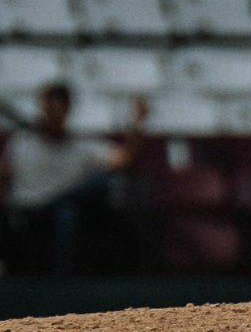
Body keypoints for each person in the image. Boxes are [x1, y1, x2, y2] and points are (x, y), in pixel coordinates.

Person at [1, 84, 147, 275]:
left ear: (67, 110)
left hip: (65, 210)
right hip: (26, 213)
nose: (53, 115)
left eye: (58, 109)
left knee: (100, 187)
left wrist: (136, 122)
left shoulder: (80, 147)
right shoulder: (22, 143)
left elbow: (124, 160)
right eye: (49, 108)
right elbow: (5, 178)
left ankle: (64, 281)